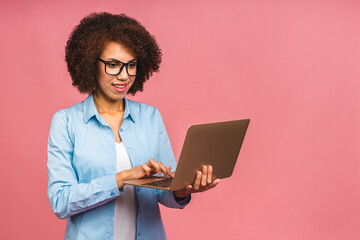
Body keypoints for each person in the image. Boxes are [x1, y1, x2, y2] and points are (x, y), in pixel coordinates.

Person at [47, 12, 220, 240]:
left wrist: (182, 190)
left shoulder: (151, 117)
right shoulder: (67, 122)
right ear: (91, 64)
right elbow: (61, 201)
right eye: (113, 65)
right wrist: (123, 177)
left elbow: (164, 189)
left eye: (131, 65)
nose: (123, 76)